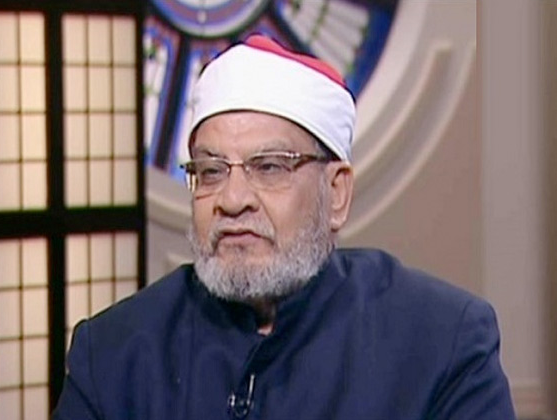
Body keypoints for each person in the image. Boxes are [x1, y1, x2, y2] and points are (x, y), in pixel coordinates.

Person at [53, 34, 515, 419]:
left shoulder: (442, 342)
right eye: (211, 171)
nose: (232, 200)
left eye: (269, 167)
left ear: (336, 193)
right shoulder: (113, 352)